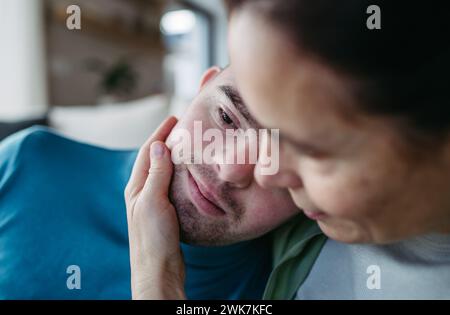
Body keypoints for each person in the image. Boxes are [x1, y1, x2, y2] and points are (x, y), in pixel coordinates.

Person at [128, 1, 450, 299]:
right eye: (228, 116)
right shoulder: (301, 232)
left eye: (309, 147)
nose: (270, 175)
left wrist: (156, 288)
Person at [0, 66, 303, 299]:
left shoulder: (293, 283)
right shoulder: (26, 162)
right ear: (202, 87)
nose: (229, 169)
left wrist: (157, 283)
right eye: (226, 117)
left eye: (278, 158)